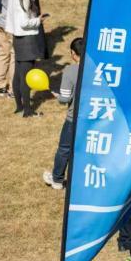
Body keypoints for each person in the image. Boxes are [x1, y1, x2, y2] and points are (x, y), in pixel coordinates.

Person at [5, 0, 48, 117]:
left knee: (18, 75)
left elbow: (23, 5)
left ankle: (19, 107)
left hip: (18, 39)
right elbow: (24, 22)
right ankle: (28, 111)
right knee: (26, 77)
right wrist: (38, 20)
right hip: (27, 40)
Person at [42, 37, 83, 190]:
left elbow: (65, 98)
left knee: (64, 149)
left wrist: (57, 95)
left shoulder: (70, 71)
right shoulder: (98, 69)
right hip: (94, 117)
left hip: (74, 119)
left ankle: (57, 179)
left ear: (73, 53)